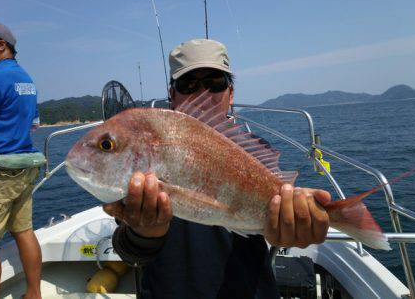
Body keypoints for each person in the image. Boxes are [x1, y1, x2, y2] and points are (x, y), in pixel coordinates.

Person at [104, 39, 331, 299]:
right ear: (172, 94)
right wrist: (144, 234)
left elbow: (272, 230)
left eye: (215, 84)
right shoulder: (144, 151)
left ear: (231, 93)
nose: (202, 95)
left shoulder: (253, 152)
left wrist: (294, 228)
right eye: (188, 85)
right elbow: (129, 251)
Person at [0, 20, 42, 299]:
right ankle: (34, 293)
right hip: (23, 168)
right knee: (24, 232)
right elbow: (33, 124)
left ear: (1, 45)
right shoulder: (27, 80)